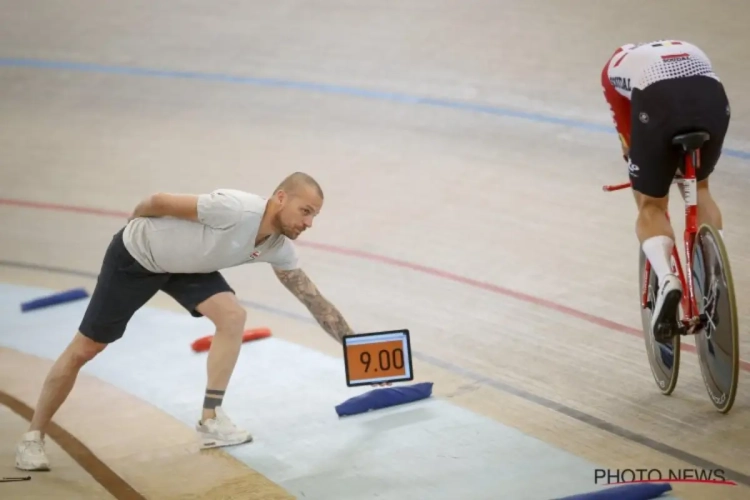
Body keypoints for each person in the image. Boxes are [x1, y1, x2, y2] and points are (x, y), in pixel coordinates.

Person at [15, 172, 358, 471]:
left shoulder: (278, 247)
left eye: (314, 215)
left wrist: (356, 349)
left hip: (185, 269)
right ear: (281, 198)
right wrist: (137, 227)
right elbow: (158, 200)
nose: (309, 222)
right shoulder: (235, 209)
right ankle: (33, 436)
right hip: (135, 259)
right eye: (306, 211)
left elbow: (314, 301)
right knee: (86, 349)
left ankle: (210, 420)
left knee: (233, 316)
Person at [600, 40, 730, 341]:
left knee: (651, 205)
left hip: (659, 100)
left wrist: (646, 181)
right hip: (712, 101)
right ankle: (714, 272)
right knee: (699, 187)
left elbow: (629, 141)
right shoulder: (683, 47)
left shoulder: (611, 73)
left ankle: (669, 279)